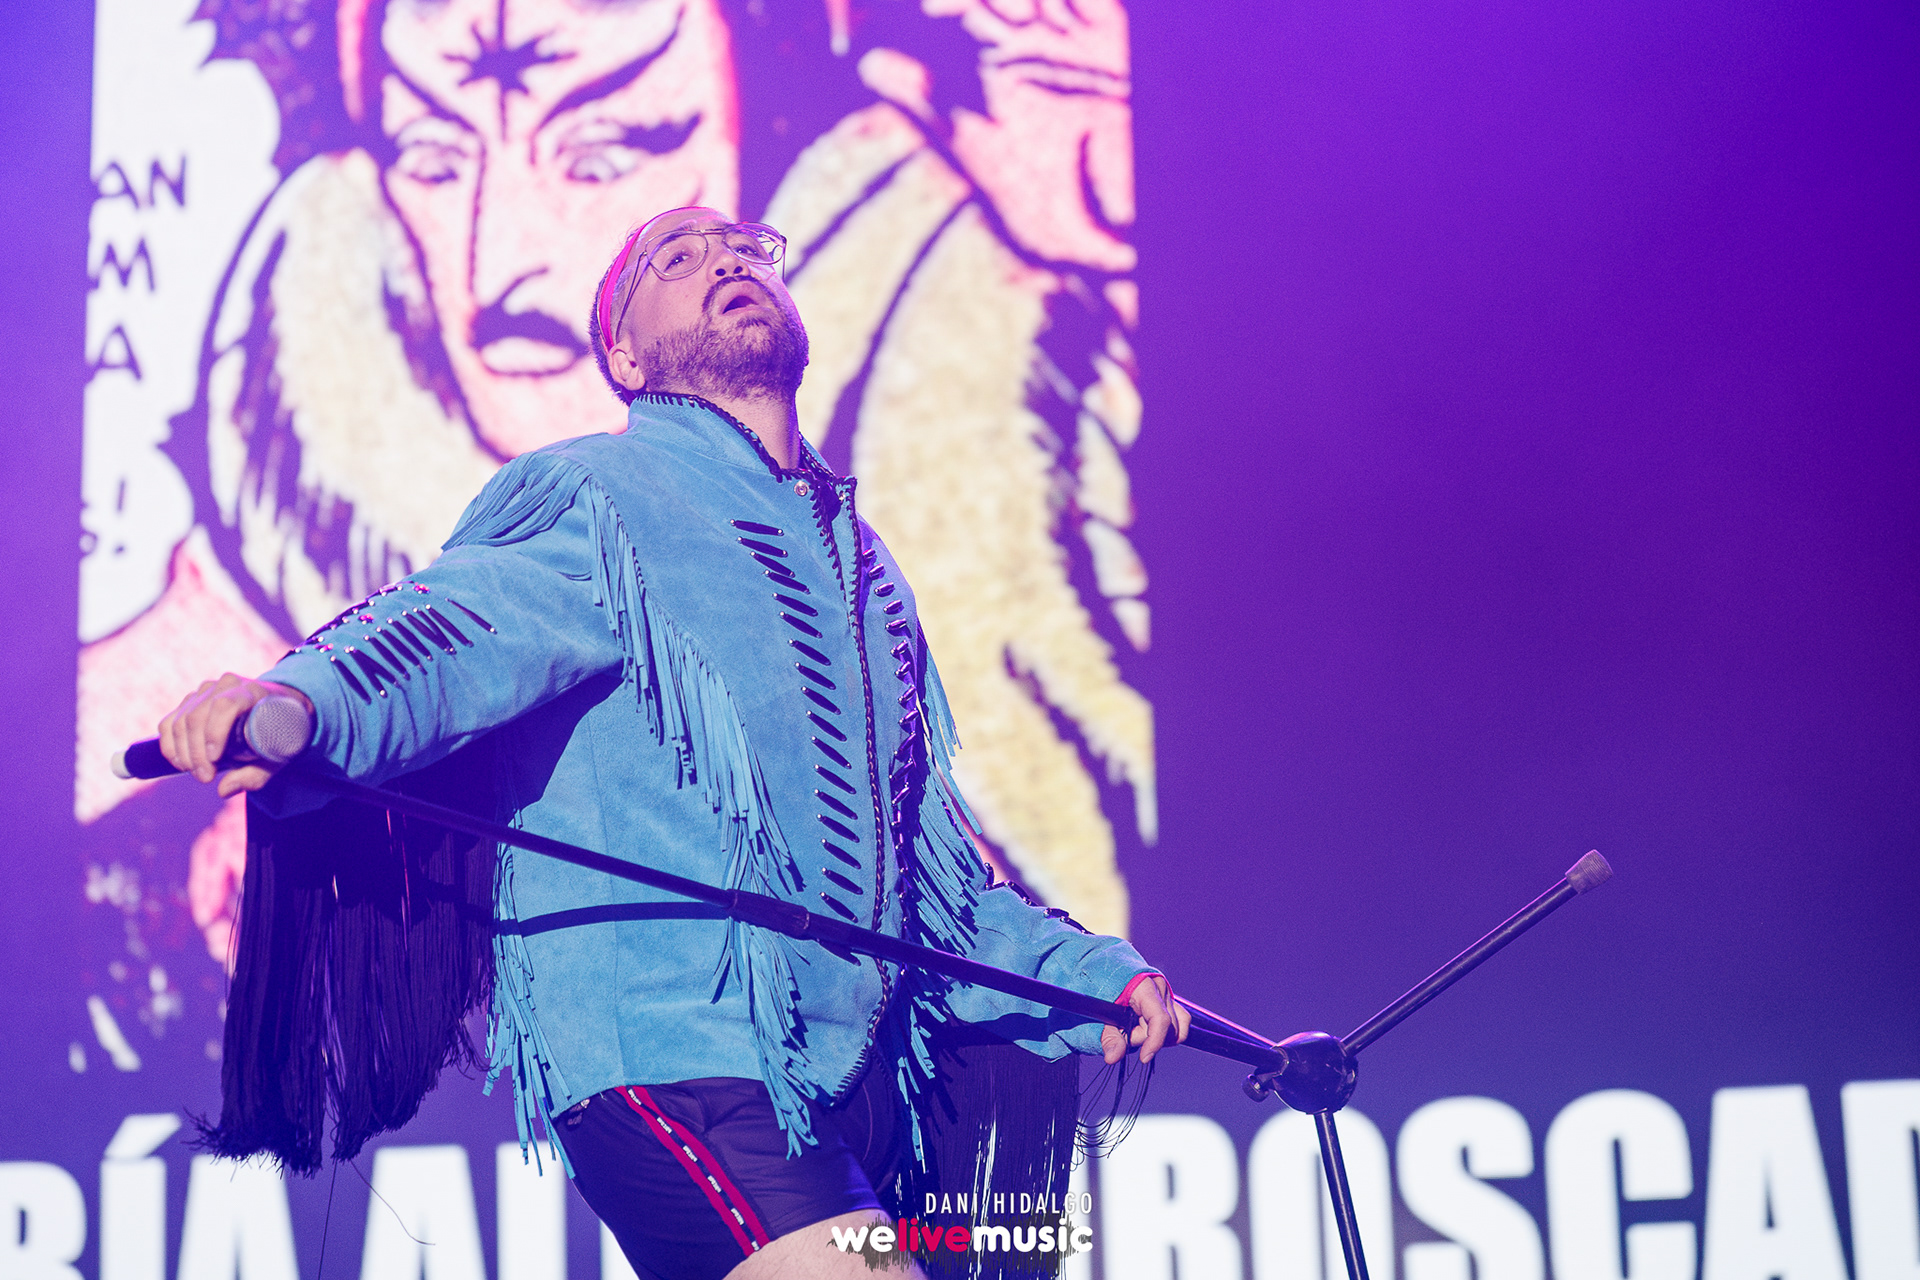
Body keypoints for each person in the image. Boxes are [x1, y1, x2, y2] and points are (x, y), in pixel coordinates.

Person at [157, 206, 1187, 1280]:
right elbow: (454, 626)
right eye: (678, 259)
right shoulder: (601, 495)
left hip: (841, 1082)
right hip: (673, 1050)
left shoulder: (866, 565)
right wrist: (299, 702)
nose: (726, 261)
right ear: (625, 355)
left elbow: (934, 889)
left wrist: (1093, 975)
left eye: (744, 248)